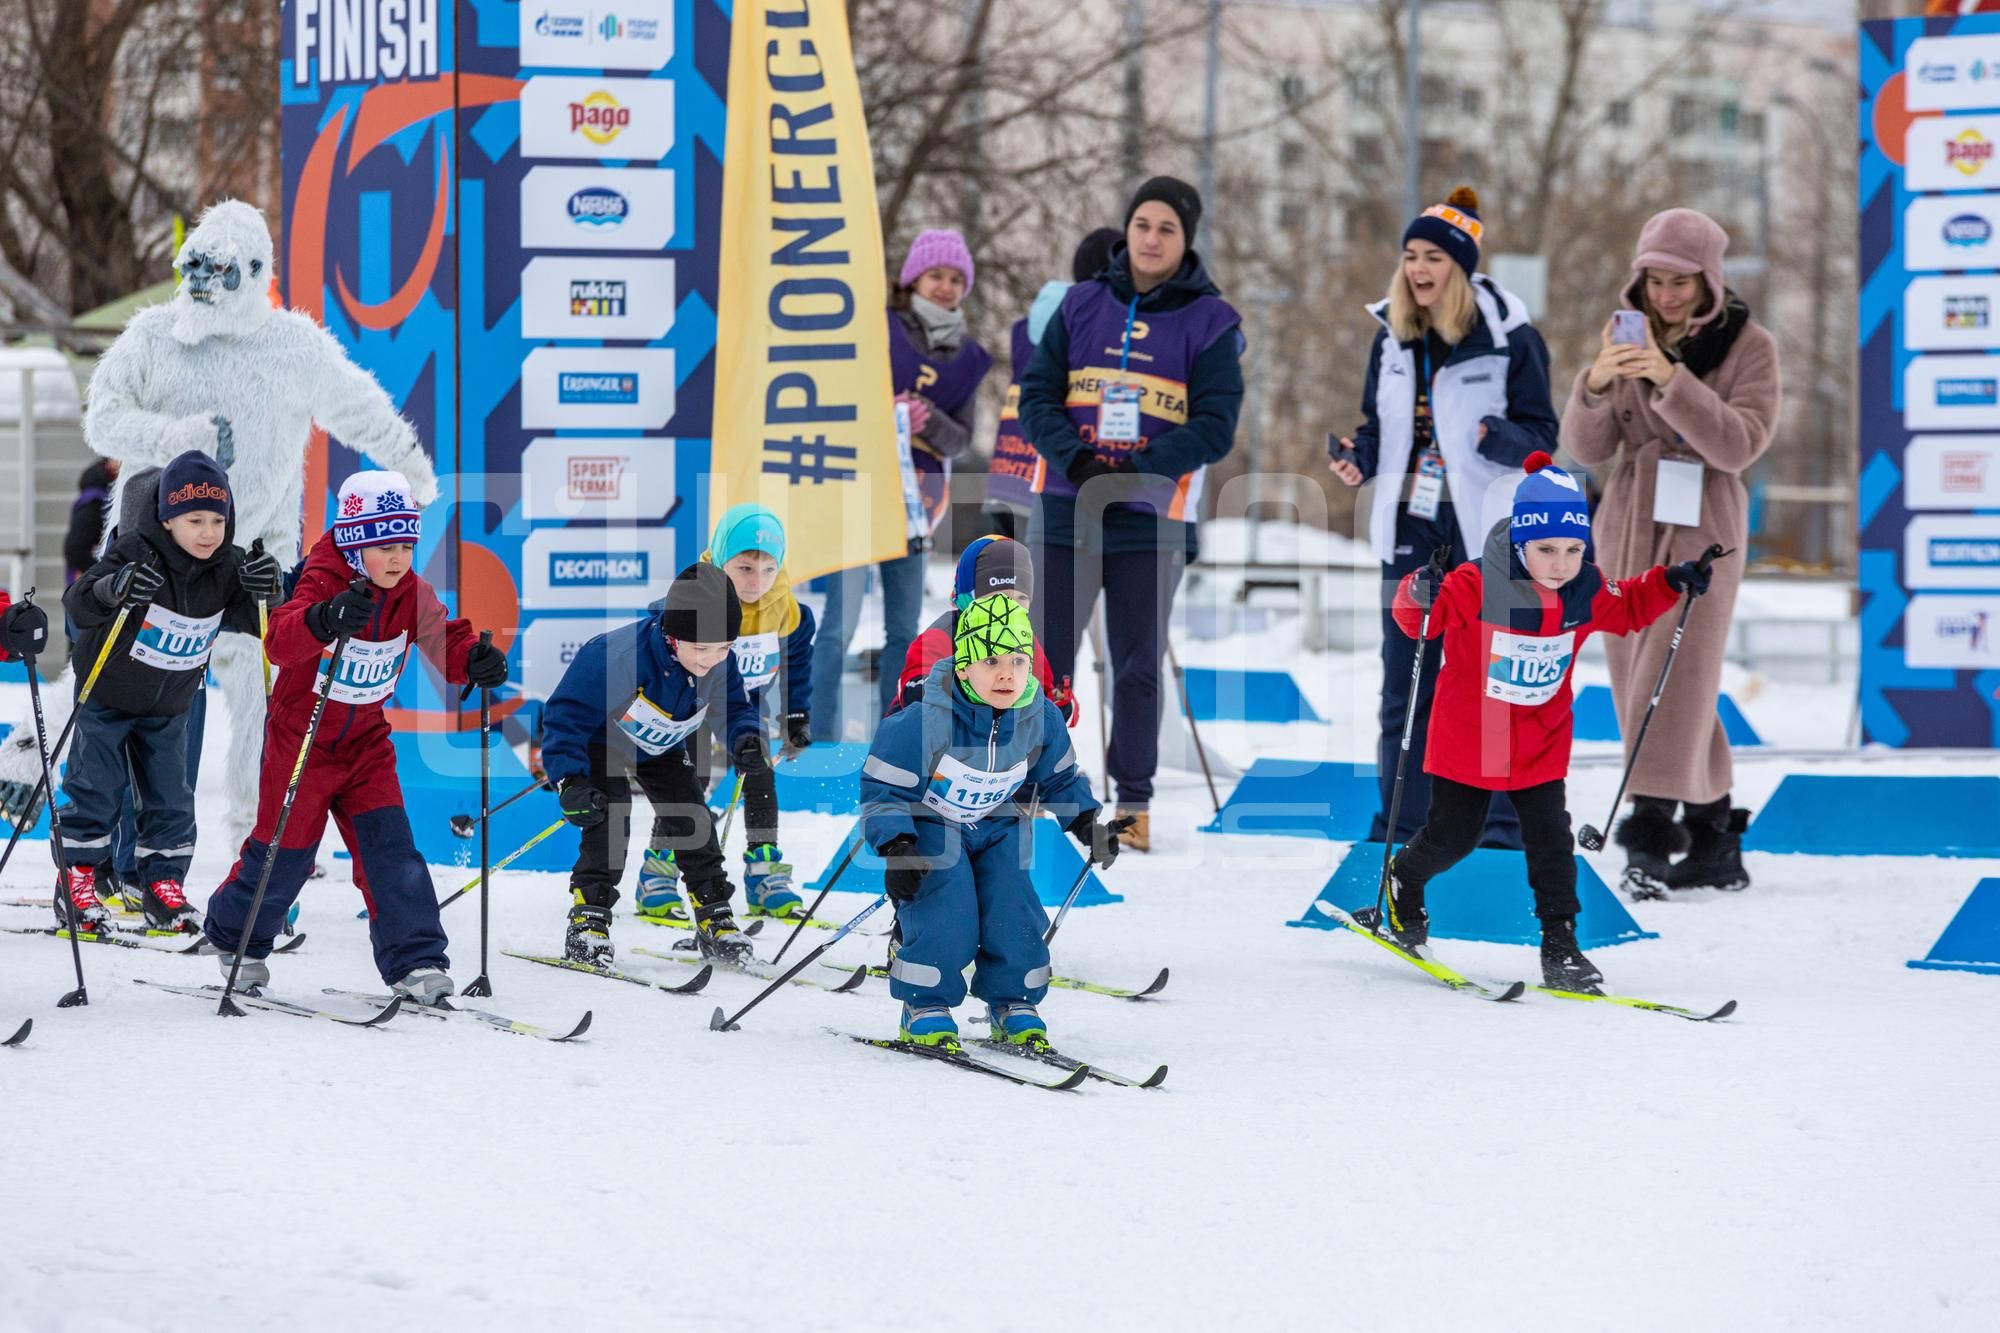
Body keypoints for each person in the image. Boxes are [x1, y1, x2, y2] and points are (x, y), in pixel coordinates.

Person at [1359, 453, 1714, 992]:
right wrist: (1416, 591)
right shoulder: (1477, 581)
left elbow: (1631, 605)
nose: (1560, 563)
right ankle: (1403, 881)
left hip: (1540, 746)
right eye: (1547, 550)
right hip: (1470, 741)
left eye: (1573, 550)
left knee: (1551, 842)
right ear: (1521, 541)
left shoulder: (1585, 588)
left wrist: (1671, 580)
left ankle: (1561, 946)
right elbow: (1418, 620)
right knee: (1454, 838)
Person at [201, 470, 507, 1002]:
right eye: (384, 544)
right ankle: (237, 939)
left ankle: (415, 960)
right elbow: (280, 641)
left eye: (407, 544)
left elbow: (443, 639)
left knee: (392, 851)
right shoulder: (321, 579)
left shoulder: (411, 592)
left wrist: (472, 660)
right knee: (286, 854)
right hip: (302, 743)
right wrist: (325, 618)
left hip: (366, 747)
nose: (398, 558)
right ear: (354, 540)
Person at [1017, 176, 1244, 854]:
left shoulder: (1213, 320)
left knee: (1136, 661)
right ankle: (1037, 787)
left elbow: (1215, 425)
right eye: (1143, 224)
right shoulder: (1081, 302)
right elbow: (1037, 397)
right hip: (1068, 501)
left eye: (1167, 229)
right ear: (1128, 229)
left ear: (1186, 239)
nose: (1151, 238)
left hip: (1151, 513)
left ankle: (1133, 801)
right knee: (1046, 657)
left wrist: (1140, 462)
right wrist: (1078, 460)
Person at [1328, 186, 1559, 850]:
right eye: (1409, 256)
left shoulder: (1510, 338)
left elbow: (1545, 434)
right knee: (1406, 683)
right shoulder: (1392, 339)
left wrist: (1499, 439)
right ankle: (1398, 826)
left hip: (1486, 528)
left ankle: (1502, 830)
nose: (1418, 269)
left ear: (1461, 265)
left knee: (1494, 680)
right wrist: (1358, 455)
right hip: (1410, 524)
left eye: (1432, 256)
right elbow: (1380, 427)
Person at [1558, 208, 1779, 899]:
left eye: (1680, 281)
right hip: (1627, 520)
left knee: (1676, 672)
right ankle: (1716, 839)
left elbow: (1741, 444)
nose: (1666, 295)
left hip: (1703, 522)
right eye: (1654, 280)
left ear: (1709, 279)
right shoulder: (1626, 332)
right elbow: (1587, 449)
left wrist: (1670, 380)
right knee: (1646, 678)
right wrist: (1595, 384)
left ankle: (1649, 838)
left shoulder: (1750, 346)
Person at [859, 593, 1127, 1050]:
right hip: (933, 823)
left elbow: (1059, 779)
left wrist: (1087, 824)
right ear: (963, 666)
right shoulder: (926, 718)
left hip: (998, 821)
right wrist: (897, 847)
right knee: (947, 906)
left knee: (1014, 905)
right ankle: (924, 1004)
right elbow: (884, 788)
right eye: (992, 660)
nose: (1007, 673)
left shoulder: (1038, 716)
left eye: (1019, 660)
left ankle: (1014, 1000)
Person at [53, 454, 282, 933]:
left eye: (218, 520)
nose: (208, 532)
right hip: (109, 694)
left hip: (169, 704)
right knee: (94, 789)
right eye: (195, 520)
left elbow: (258, 620)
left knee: (170, 799)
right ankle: (77, 881)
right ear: (167, 519)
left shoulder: (227, 565)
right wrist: (114, 589)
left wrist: (269, 590)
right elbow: (78, 603)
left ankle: (162, 886)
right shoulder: (136, 552)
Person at [809, 229, 994, 743]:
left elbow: (960, 439)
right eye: (936, 275)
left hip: (917, 505)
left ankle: (893, 737)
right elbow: (840, 396)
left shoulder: (970, 358)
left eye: (957, 279)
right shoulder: (877, 328)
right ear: (913, 279)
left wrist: (925, 419)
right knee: (838, 626)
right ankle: (816, 742)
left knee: (903, 631)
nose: (946, 286)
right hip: (859, 490)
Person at [544, 561, 763, 968]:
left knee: (691, 815)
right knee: (609, 817)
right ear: (672, 635)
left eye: (724, 648)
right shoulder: (614, 655)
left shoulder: (717, 661)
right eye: (701, 649)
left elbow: (734, 708)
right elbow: (564, 718)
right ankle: (588, 921)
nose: (712, 659)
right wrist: (569, 779)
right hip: (601, 741)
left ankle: (714, 913)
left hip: (658, 744)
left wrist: (745, 738)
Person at [635, 504, 816, 925]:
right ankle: (658, 869)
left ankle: (764, 871)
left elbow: (798, 663)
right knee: (688, 779)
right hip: (690, 705)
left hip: (744, 709)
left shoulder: (789, 612)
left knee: (759, 775)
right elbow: (656, 644)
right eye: (745, 568)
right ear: (720, 558)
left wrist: (796, 715)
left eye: (769, 569)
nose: (758, 582)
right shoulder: (692, 598)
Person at [984, 228, 1122, 540]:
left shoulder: (1025, 326)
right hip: (1044, 479)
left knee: (1005, 585)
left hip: (1006, 473)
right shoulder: (1084, 327)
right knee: (1045, 586)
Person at [889, 533, 1077, 725]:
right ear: (970, 596)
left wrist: (1057, 702)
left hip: (995, 747)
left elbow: (1041, 690)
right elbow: (913, 691)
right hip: (924, 744)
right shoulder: (942, 636)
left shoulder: (1025, 640)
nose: (1010, 606)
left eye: (1021, 598)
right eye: (999, 597)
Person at [63, 458, 120, 583]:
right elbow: (75, 551)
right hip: (92, 587)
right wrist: (107, 573)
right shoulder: (94, 503)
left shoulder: (104, 497)